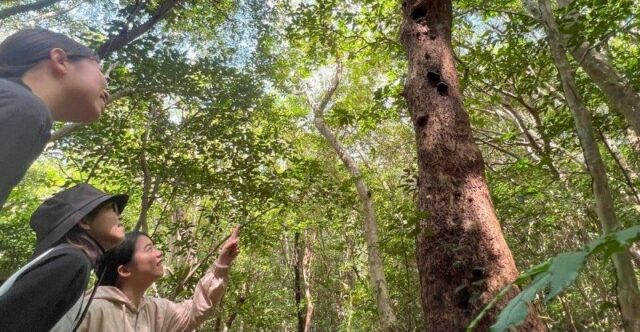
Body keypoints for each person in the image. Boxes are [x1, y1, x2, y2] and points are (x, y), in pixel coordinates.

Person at [0, 28, 109, 208]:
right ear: (60, 60)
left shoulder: (15, 100)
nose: (106, 87)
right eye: (100, 71)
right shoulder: (25, 107)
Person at [0, 183, 128, 331]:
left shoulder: (70, 258)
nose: (119, 215)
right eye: (112, 208)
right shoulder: (72, 260)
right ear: (84, 221)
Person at [78, 226, 240, 331]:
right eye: (149, 249)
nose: (159, 253)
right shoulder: (92, 310)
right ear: (124, 270)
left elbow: (195, 310)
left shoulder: (155, 310)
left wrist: (221, 264)